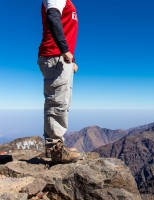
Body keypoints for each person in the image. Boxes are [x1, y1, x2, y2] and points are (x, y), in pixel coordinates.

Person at [37, 0, 81, 163]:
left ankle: (57, 145)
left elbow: (66, 29)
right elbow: (53, 17)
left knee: (63, 102)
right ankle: (54, 148)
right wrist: (64, 50)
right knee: (56, 102)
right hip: (55, 56)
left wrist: (71, 58)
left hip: (61, 58)